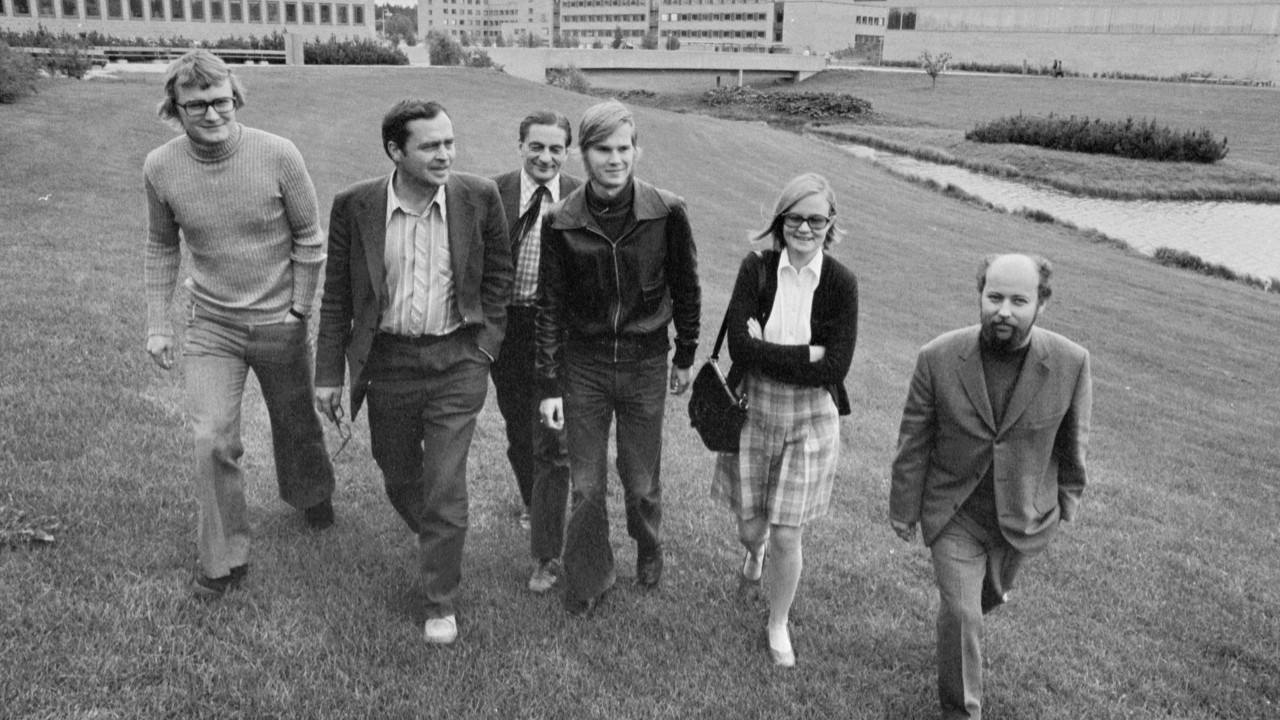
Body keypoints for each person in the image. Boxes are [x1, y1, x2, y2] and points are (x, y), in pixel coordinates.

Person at [314, 99, 513, 645]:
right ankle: (439, 540)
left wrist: (486, 348)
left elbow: (499, 277)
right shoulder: (354, 205)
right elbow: (337, 296)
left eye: (449, 142)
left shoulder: (480, 197)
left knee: (445, 481)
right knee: (398, 472)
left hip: (458, 362)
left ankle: (439, 600)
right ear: (395, 151)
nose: (446, 154)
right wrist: (329, 372)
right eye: (431, 146)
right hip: (390, 363)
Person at [143, 49, 336, 600]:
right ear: (175, 108)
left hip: (279, 318)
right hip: (212, 325)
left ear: (237, 98)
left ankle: (311, 494)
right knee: (211, 439)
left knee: (296, 425)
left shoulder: (278, 154)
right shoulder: (161, 166)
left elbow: (309, 237)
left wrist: (299, 310)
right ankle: (224, 559)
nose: (211, 113)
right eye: (196, 104)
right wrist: (159, 322)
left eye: (220, 101)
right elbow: (160, 244)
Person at [889, 254, 1092, 719]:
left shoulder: (1070, 363)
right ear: (979, 295)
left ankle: (956, 635)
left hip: (1022, 516)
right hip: (953, 509)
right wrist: (904, 507)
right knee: (963, 612)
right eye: (994, 296)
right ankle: (962, 710)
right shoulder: (938, 357)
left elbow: (1073, 440)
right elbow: (913, 441)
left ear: (1042, 303)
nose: (1004, 310)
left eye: (1019, 300)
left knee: (981, 603)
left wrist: (1068, 501)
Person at [536, 99, 701, 616]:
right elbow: (550, 305)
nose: (614, 159)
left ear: (637, 150)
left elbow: (687, 288)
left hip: (645, 363)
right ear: (584, 155)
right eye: (602, 149)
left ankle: (648, 544)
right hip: (583, 367)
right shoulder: (561, 220)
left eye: (623, 148)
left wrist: (686, 354)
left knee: (640, 480)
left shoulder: (667, 211)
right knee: (585, 486)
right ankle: (588, 578)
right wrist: (548, 383)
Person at [710, 173, 859, 668]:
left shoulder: (841, 283)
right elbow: (739, 347)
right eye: (795, 217)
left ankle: (778, 622)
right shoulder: (756, 268)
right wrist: (805, 353)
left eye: (816, 219)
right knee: (752, 529)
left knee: (788, 533)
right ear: (780, 220)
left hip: (811, 418)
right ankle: (753, 556)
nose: (805, 227)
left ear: (830, 224)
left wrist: (767, 349)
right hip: (754, 407)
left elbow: (835, 367)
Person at [490, 110, 583, 594]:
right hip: (507, 328)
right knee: (517, 429)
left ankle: (548, 550)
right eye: (536, 147)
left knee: (554, 437)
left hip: (560, 334)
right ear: (520, 145)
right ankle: (534, 500)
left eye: (555, 149)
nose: (545, 157)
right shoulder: (493, 193)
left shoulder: (583, 199)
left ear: (567, 152)